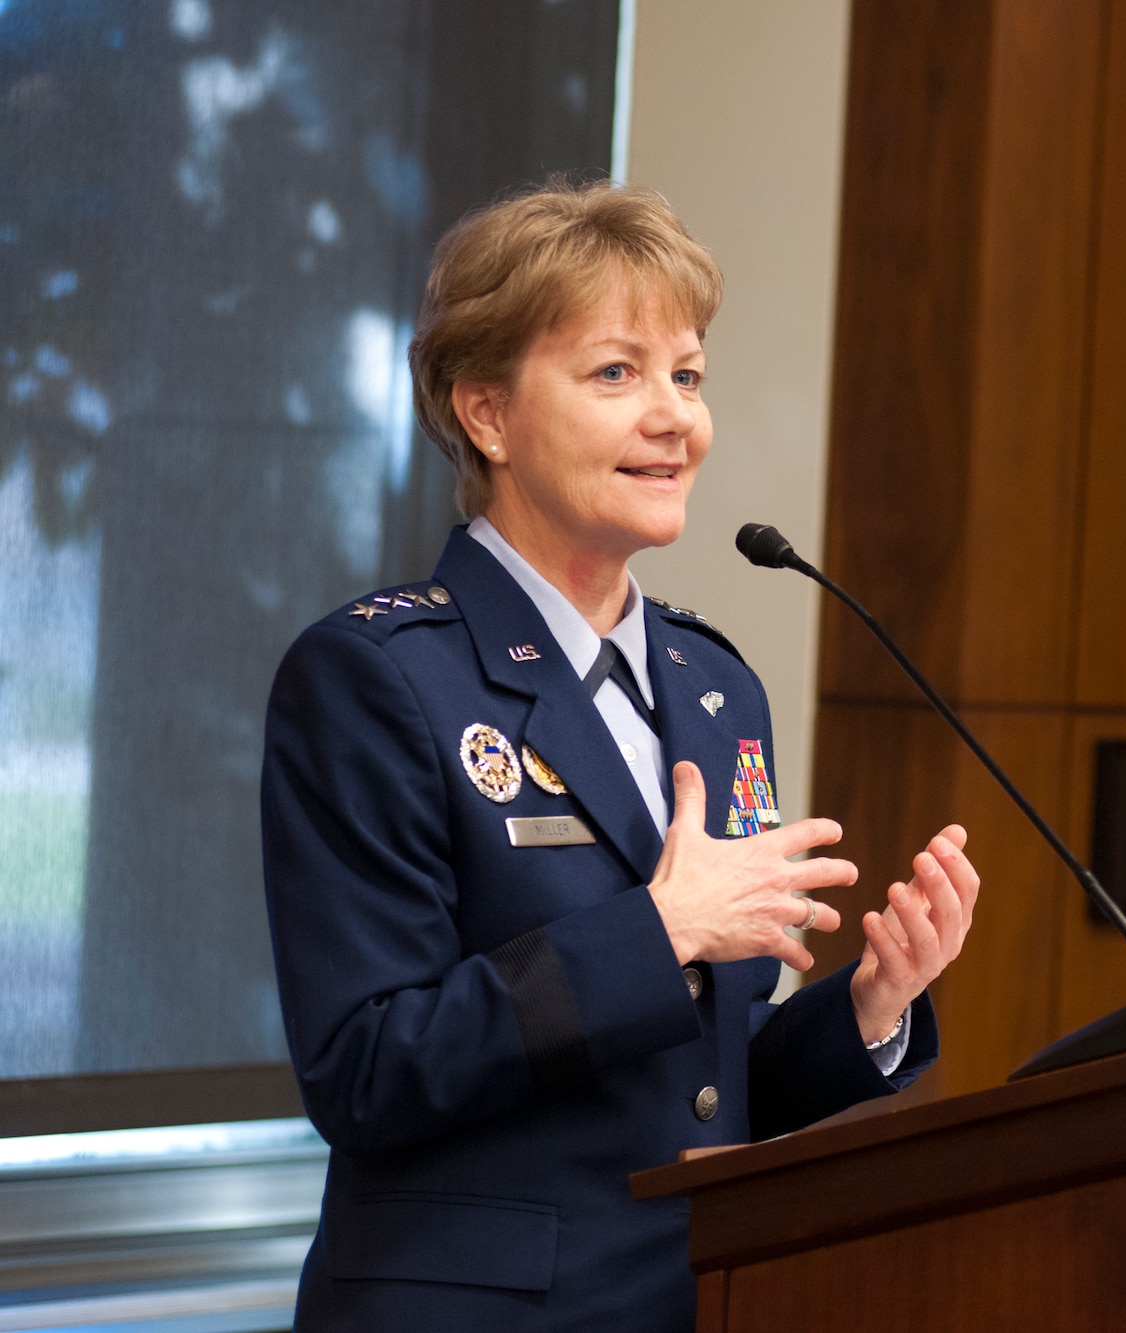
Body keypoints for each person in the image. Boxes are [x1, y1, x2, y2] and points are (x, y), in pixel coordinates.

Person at [260, 179, 980, 1331]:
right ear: (486, 413)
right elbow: (368, 1067)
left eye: (686, 375)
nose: (673, 417)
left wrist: (870, 1007)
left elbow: (708, 1075)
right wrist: (662, 927)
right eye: (615, 373)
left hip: (696, 1298)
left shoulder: (713, 688)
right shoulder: (376, 678)